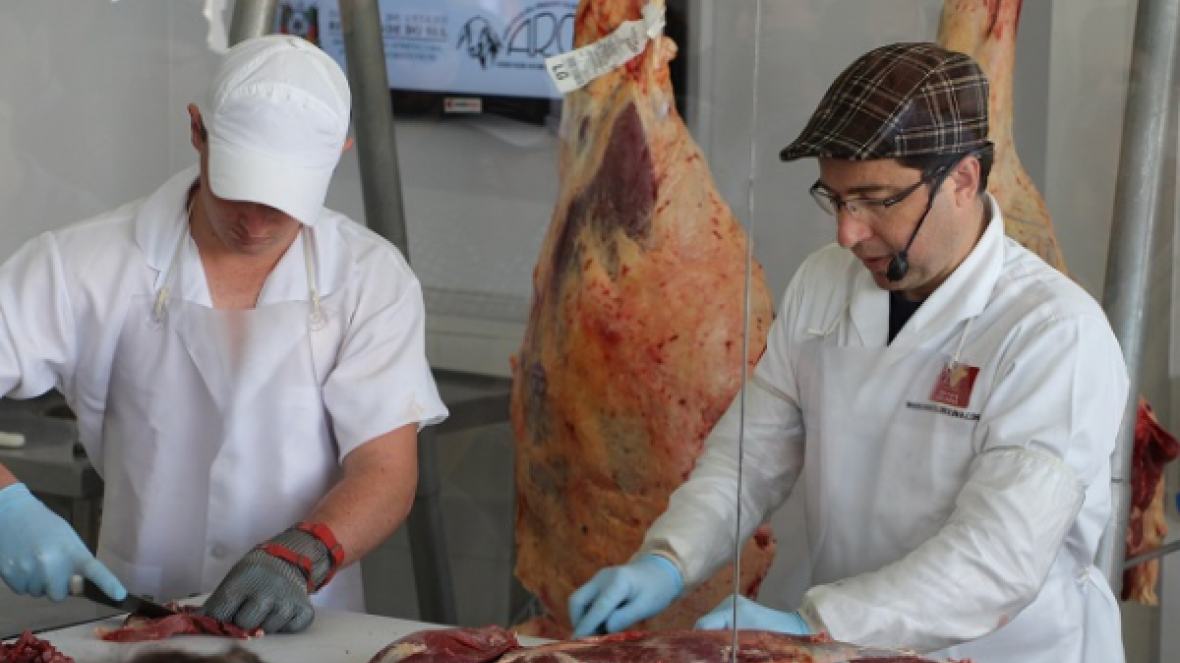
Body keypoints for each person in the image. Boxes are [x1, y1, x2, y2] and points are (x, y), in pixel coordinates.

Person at [567, 42, 1128, 663]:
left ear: (962, 179)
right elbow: (750, 455)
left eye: (875, 200)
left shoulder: (1052, 333)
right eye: (835, 200)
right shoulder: (825, 282)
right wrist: (668, 558)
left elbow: (998, 559)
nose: (847, 231)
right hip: (852, 648)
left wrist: (815, 624)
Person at [0, 35, 447, 634]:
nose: (256, 224)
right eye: (237, 191)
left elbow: (386, 470)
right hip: (139, 616)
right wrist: (6, 505)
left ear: (338, 153)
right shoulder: (83, 261)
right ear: (198, 131)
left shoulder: (370, 277)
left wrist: (300, 555)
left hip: (310, 622)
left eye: (283, 202)